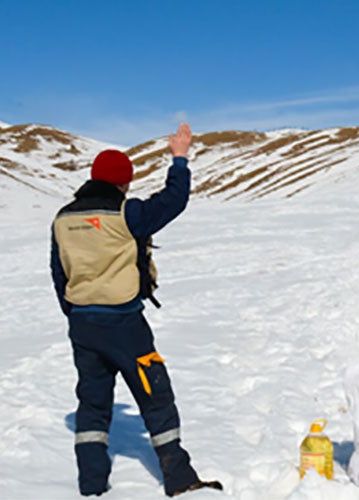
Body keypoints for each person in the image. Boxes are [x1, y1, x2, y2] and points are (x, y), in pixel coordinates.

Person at [50, 123, 222, 497]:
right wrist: (179, 158)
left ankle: (91, 486)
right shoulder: (127, 213)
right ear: (123, 182)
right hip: (125, 323)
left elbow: (58, 272)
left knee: (92, 404)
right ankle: (180, 478)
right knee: (155, 394)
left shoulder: (62, 218)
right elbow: (174, 200)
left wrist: (77, 312)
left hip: (82, 325)